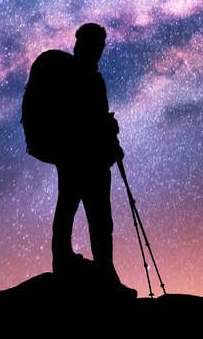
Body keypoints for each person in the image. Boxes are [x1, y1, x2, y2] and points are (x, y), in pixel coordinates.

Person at [50, 22, 135, 298]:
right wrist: (105, 129)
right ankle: (89, 272)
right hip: (82, 160)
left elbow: (96, 118)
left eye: (101, 45)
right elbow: (83, 119)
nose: (100, 49)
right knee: (85, 215)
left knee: (88, 216)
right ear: (86, 44)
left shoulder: (90, 78)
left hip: (86, 160)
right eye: (96, 43)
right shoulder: (76, 77)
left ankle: (96, 271)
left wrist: (108, 132)